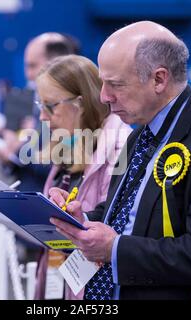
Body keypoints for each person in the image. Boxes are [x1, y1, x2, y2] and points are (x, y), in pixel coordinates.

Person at [49, 21, 191, 300]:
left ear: (159, 79)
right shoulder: (141, 133)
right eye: (102, 83)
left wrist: (116, 249)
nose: (103, 96)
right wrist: (82, 219)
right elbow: (124, 217)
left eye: (115, 84)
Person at [32, 55, 131, 300]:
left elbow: (116, 227)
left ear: (81, 102)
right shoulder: (68, 144)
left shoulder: (120, 149)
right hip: (61, 276)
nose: (43, 117)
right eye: (40, 106)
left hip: (98, 289)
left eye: (50, 106)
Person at [0, 33, 79, 191]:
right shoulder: (41, 100)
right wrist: (12, 155)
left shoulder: (71, 106)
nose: (28, 74)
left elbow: (62, 164)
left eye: (32, 66)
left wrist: (17, 153)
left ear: (55, 63)